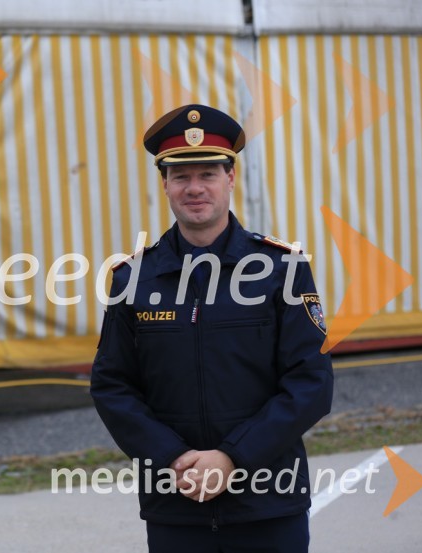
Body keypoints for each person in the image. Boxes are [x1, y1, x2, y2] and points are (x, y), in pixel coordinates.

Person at [90, 104, 333, 552]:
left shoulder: (281, 270)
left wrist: (232, 457)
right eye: (181, 176)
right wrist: (173, 458)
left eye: (208, 174)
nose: (195, 188)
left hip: (269, 502)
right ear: (164, 184)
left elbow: (310, 383)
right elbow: (112, 385)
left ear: (231, 178)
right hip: (175, 502)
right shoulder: (132, 279)